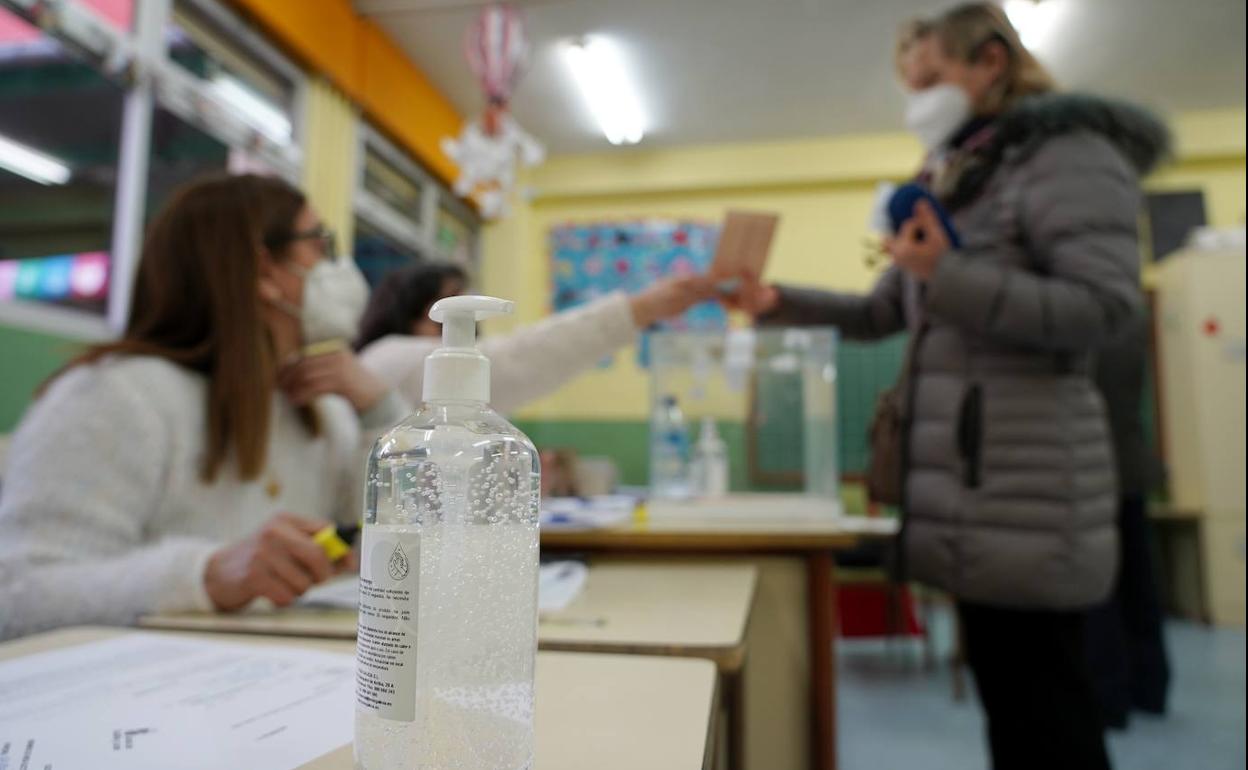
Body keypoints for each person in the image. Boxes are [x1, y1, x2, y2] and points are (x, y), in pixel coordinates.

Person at [727, 5, 1169, 769]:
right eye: (909, 82)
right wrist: (778, 304)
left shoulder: (1069, 156)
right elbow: (882, 311)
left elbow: (1105, 310)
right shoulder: (958, 169)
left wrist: (948, 273)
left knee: (1050, 712)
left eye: (929, 78)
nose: (915, 99)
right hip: (971, 487)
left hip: (1030, 487)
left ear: (990, 62)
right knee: (1014, 708)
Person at [0, 173, 407, 641]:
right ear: (263, 272)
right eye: (320, 245)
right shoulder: (113, 396)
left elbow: (391, 540)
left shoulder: (321, 410)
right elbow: (19, 592)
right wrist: (205, 576)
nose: (338, 267)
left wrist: (381, 412)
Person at [355, 260, 717, 413]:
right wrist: (639, 309)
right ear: (411, 307)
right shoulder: (386, 358)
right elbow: (518, 359)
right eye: (448, 300)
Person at [1085, 311, 1171, 728]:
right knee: (1139, 585)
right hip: (1132, 467)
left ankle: (1109, 697)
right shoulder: (1133, 320)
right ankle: (1151, 689)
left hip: (1094, 469)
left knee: (1101, 591)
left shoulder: (1079, 324)